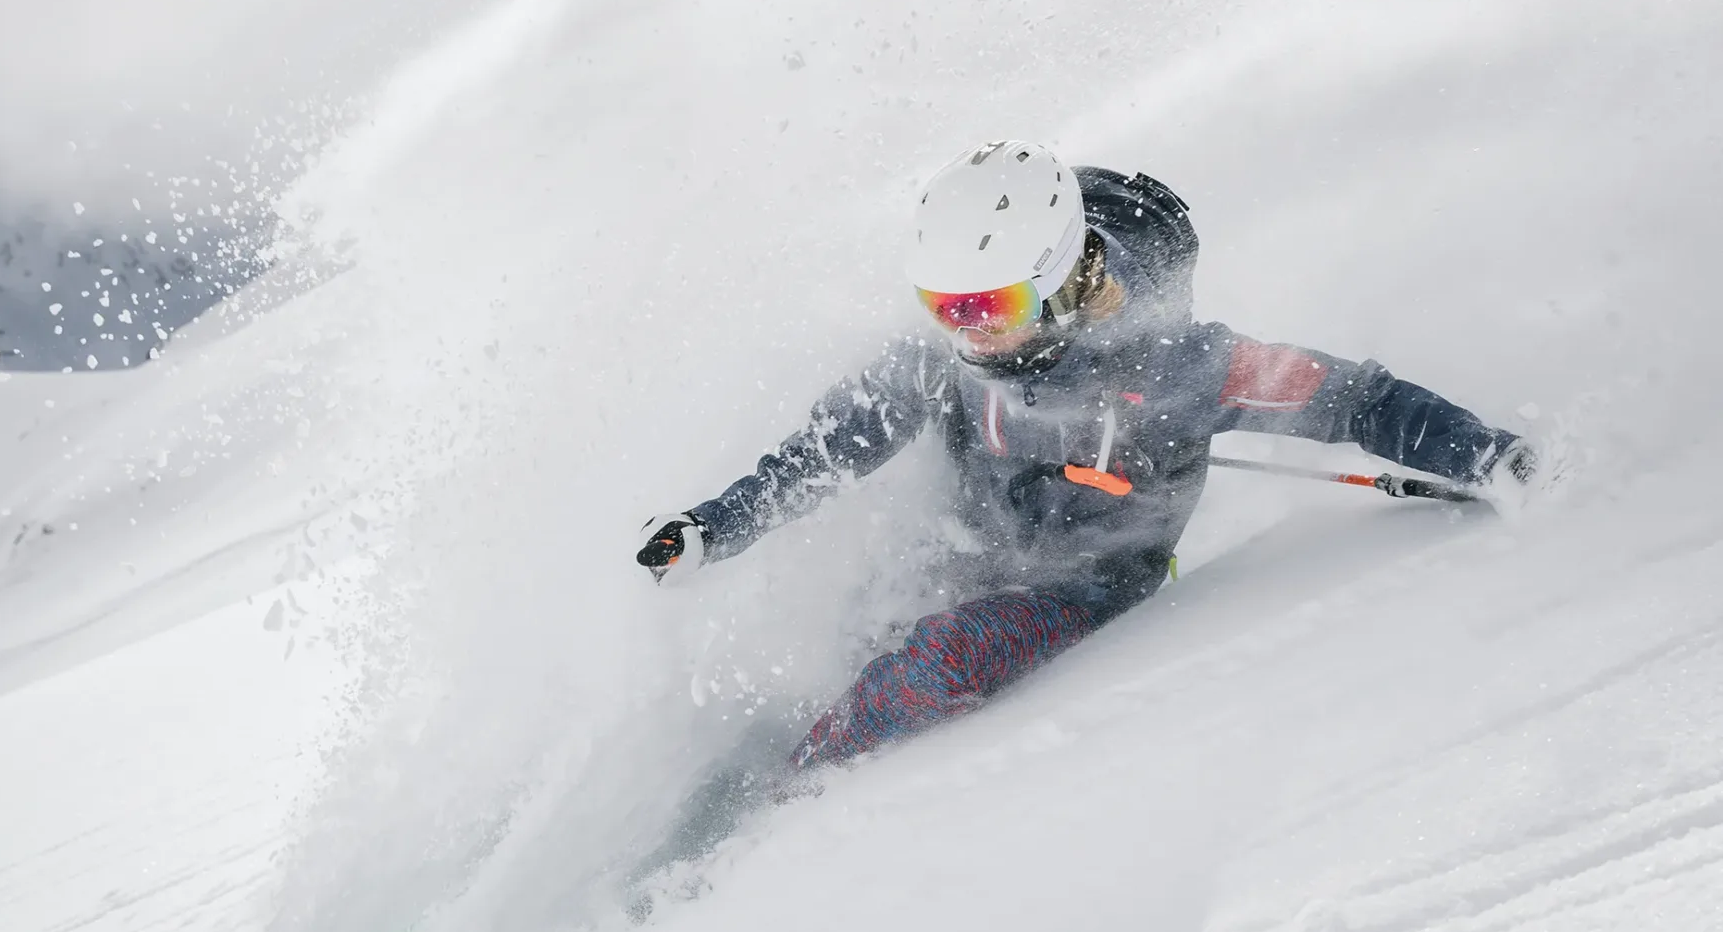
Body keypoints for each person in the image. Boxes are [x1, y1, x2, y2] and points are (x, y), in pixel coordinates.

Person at [635, 140, 1535, 770]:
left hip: (1086, 583)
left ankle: (792, 810)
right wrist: (711, 527)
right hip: (966, 540)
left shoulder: (1183, 366)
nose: (968, 338)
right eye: (945, 308)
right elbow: (832, 447)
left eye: (990, 310)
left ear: (1066, 279)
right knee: (866, 632)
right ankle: (787, 749)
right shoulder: (949, 357)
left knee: (932, 664)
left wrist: (1492, 458)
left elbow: (1360, 400)